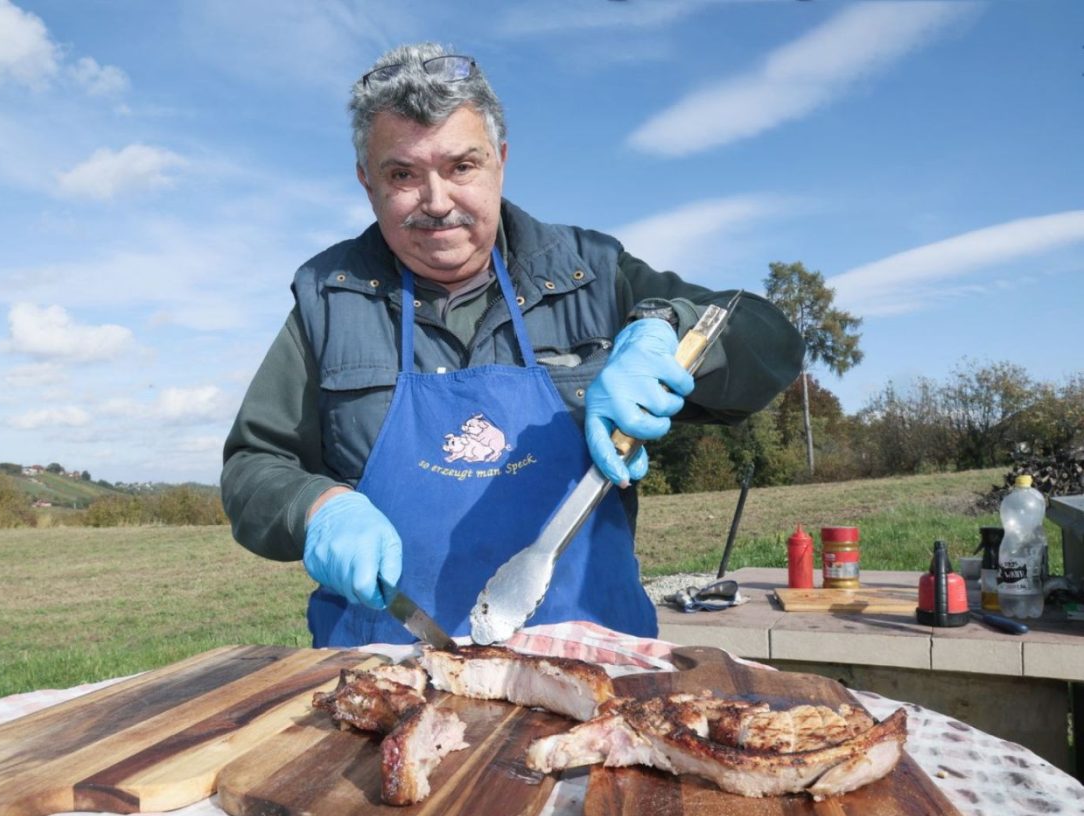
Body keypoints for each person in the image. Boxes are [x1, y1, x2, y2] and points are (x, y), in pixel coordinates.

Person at [221, 43, 804, 648]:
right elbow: (252, 466)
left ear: (500, 161)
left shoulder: (593, 272)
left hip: (591, 675)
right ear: (367, 182)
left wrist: (666, 329)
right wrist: (316, 508)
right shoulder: (328, 299)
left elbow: (773, 342)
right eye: (402, 174)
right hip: (383, 674)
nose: (437, 201)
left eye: (461, 166)